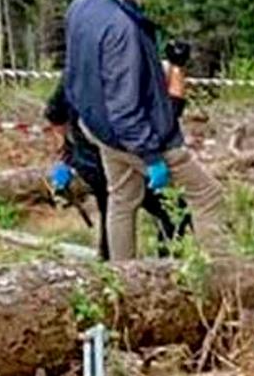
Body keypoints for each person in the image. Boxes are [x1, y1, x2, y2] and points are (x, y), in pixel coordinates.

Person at [61, 0, 226, 260]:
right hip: (134, 135)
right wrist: (152, 156)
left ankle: (123, 281)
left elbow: (80, 73)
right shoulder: (121, 28)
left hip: (100, 129)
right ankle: (225, 276)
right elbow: (125, 103)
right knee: (208, 194)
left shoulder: (82, 5)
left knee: (122, 200)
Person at [44, 80, 189, 261]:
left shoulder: (79, 65)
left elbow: (54, 112)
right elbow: (169, 112)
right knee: (174, 209)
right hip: (122, 155)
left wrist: (69, 150)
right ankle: (168, 269)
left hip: (91, 162)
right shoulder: (125, 67)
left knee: (111, 210)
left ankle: (110, 265)